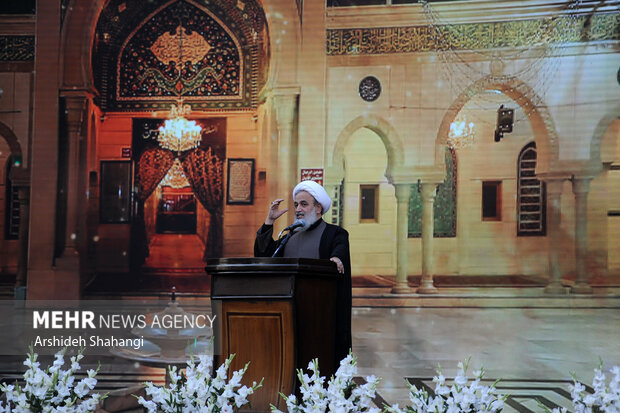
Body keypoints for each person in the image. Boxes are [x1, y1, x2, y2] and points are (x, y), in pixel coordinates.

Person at [254, 180, 352, 366]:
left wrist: (337, 259)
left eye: (304, 204)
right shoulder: (289, 235)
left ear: (318, 208)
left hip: (320, 317)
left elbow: (339, 250)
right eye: (296, 204)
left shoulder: (334, 233)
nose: (298, 209)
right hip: (289, 313)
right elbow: (264, 257)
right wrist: (270, 221)